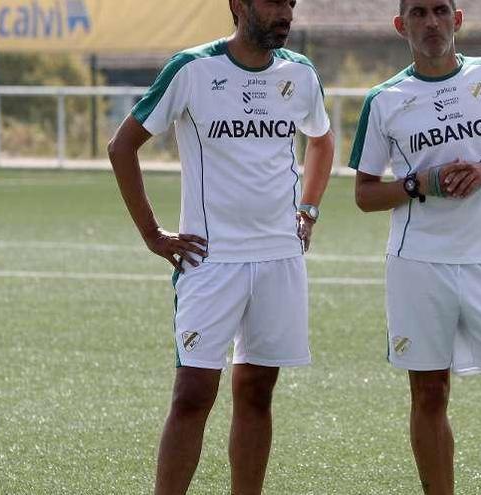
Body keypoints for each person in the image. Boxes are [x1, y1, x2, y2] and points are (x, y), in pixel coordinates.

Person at [107, 0, 334, 493]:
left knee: (256, 391)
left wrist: (309, 209)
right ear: (238, 5)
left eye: (291, 4)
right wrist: (152, 233)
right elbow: (121, 146)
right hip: (210, 261)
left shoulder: (300, 73)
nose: (286, 13)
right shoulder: (192, 69)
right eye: (274, 2)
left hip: (279, 259)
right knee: (193, 393)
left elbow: (321, 139)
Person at [349, 1, 481, 493]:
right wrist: (418, 184)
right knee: (429, 394)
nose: (431, 23)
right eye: (419, 13)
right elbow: (364, 194)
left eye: (440, 11)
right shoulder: (384, 99)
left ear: (458, 19)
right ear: (401, 26)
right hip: (418, 265)